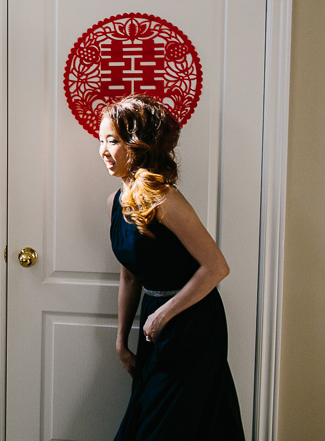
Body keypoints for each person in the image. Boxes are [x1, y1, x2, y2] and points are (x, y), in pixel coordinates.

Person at [99, 95, 244, 440]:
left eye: (113, 140)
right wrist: (121, 340)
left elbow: (216, 267)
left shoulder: (164, 198)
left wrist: (163, 315)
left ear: (137, 145)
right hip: (153, 321)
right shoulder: (113, 202)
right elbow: (129, 275)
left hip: (192, 320)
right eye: (101, 139)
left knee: (171, 425)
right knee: (153, 415)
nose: (104, 150)